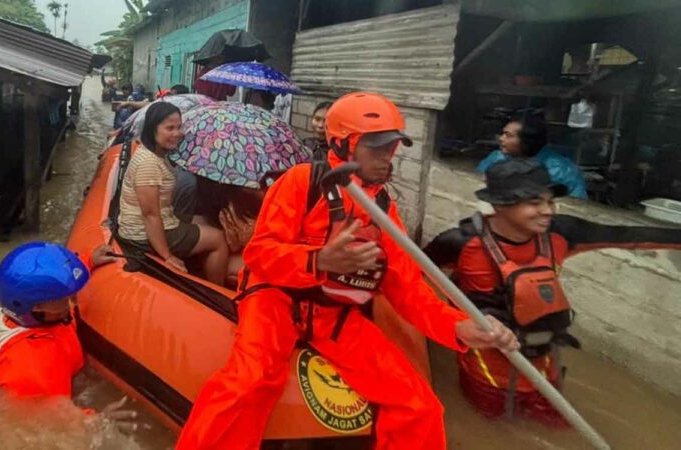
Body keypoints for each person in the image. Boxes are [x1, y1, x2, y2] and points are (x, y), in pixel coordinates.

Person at [175, 92, 519, 450]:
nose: (388, 156)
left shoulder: (384, 209)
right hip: (273, 298)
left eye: (393, 146)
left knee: (418, 403)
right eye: (376, 146)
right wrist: (318, 260)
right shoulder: (300, 182)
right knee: (249, 381)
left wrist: (459, 328)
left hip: (331, 311)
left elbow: (407, 289)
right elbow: (261, 254)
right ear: (342, 141)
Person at [424, 158, 681, 426]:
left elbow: (628, 236)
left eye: (550, 201)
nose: (547, 211)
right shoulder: (459, 243)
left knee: (557, 423)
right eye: (535, 203)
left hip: (545, 363)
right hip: (487, 366)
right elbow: (414, 278)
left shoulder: (562, 233)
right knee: (489, 424)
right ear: (500, 204)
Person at [0, 242, 116, 398]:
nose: (72, 299)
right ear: (36, 307)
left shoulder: (30, 308)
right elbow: (54, 415)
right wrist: (98, 421)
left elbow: (54, 281)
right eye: (64, 297)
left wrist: (88, 261)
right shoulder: (32, 366)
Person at [116, 102, 229, 285]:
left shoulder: (158, 153)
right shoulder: (148, 164)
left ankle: (201, 261)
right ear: (153, 129)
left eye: (178, 127)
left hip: (164, 218)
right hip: (141, 234)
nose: (177, 133)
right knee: (219, 238)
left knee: (206, 219)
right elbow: (150, 215)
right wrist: (167, 256)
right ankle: (217, 291)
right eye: (170, 128)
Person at [477, 115, 588, 199]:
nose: (501, 139)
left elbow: (578, 206)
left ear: (526, 141)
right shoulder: (496, 157)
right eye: (502, 134)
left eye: (508, 135)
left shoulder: (562, 170)